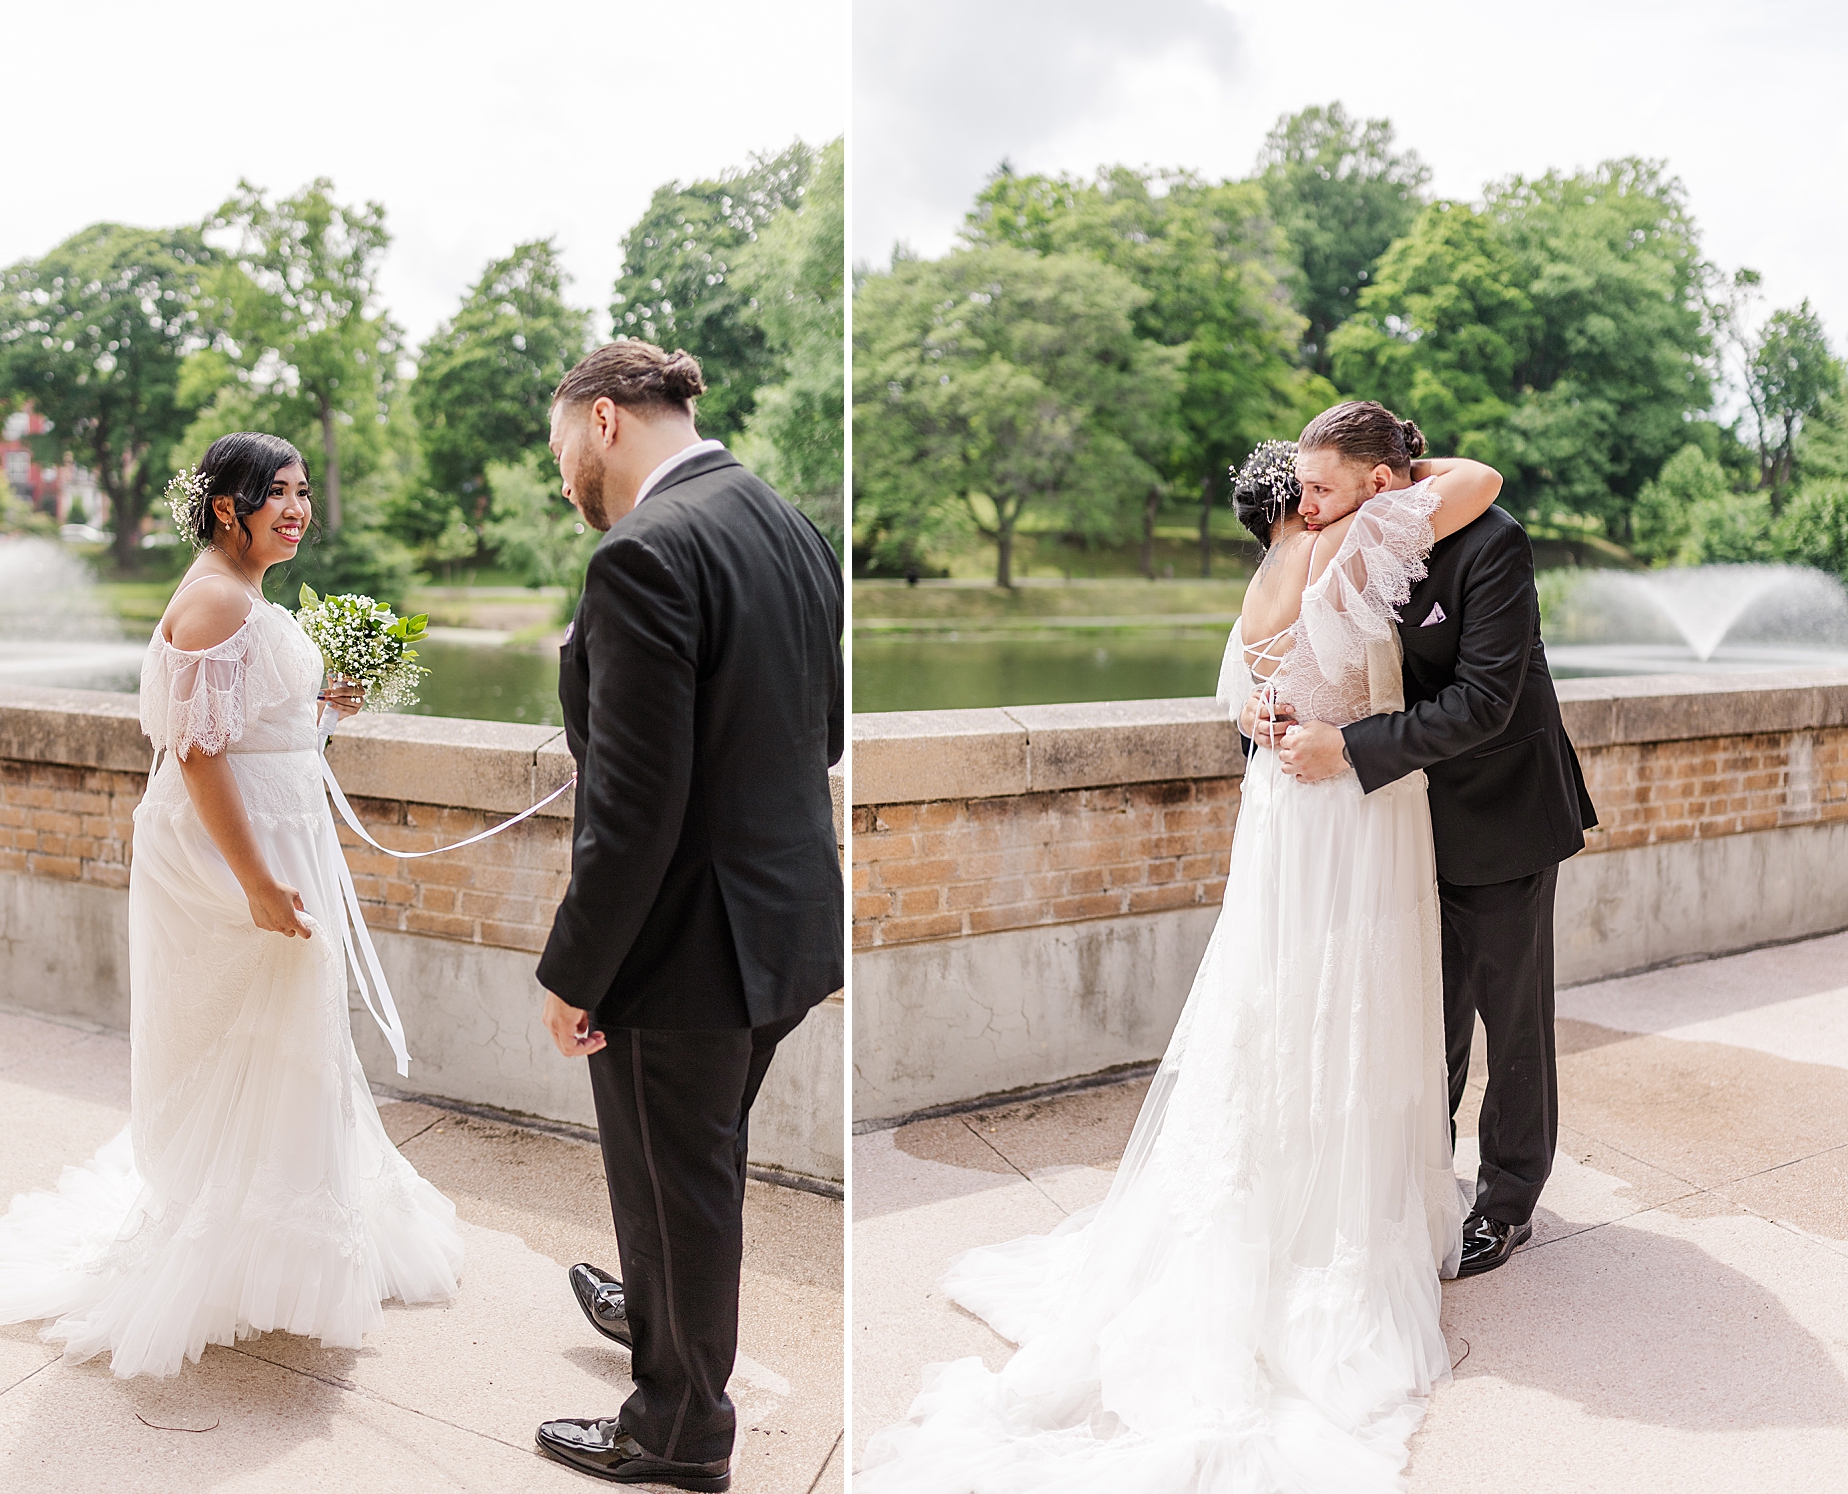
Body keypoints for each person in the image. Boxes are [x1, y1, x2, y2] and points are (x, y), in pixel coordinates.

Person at [859, 409, 1501, 1494]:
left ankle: (1280, 1180)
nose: (1326, 500)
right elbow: (1478, 475)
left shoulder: (1262, 582)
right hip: (1347, 811)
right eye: (1313, 488)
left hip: (1278, 812)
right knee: (1348, 998)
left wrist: (1342, 483)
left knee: (1274, 1003)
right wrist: (1388, 472)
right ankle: (1331, 1212)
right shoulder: (1353, 541)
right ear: (1306, 498)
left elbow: (1247, 708)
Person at [0, 432, 463, 1377]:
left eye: (305, 493)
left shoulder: (242, 589)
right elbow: (197, 751)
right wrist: (258, 882)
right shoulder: (219, 597)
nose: (299, 510)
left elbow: (247, 722)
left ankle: (279, 1236)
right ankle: (236, 1245)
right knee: (254, 1034)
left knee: (285, 1036)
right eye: (281, 495)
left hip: (273, 829)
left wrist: (323, 710)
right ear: (231, 506)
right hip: (237, 855)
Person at [531, 341, 844, 1492]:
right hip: (785, 922)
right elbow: (823, 737)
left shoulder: (641, 554)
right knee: (690, 1167)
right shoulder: (786, 524)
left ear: (603, 418)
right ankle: (659, 1306)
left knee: (680, 1178)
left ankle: (675, 1428)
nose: (562, 470)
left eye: (561, 443)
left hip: (684, 947)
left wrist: (573, 971)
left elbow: (632, 810)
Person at [1267, 401, 1597, 1276]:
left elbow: (1486, 701)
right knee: (1424, 1017)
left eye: (1320, 488)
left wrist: (1347, 751)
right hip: (1400, 826)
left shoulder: (1493, 543)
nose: (1306, 506)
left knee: (1511, 1022)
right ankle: (1423, 1185)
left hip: (1502, 816)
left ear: (1379, 483)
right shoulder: (1351, 538)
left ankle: (1509, 1200)